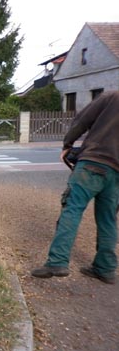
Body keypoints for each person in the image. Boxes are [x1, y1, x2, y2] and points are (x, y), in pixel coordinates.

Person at [31, 91, 119, 284]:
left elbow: (82, 120)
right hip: (116, 173)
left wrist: (67, 144)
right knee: (108, 219)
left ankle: (57, 261)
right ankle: (105, 268)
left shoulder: (112, 96)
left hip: (92, 162)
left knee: (72, 209)